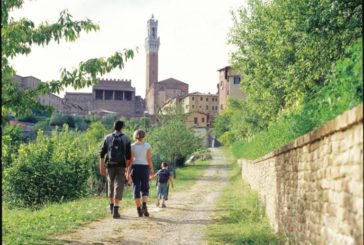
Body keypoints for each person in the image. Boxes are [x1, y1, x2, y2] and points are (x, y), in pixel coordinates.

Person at [100, 120, 131, 219]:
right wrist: (127, 168)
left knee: (110, 184)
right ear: (122, 127)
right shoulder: (126, 138)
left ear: (114, 127)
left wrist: (101, 167)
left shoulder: (108, 137)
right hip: (121, 165)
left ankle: (111, 206)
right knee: (119, 185)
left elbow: (102, 153)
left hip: (110, 165)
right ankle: (116, 210)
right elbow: (128, 156)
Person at [127, 129, 154, 217]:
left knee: (136, 189)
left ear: (135, 136)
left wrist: (128, 172)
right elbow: (149, 159)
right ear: (144, 136)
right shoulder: (147, 146)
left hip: (135, 168)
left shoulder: (132, 146)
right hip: (144, 168)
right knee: (145, 188)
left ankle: (139, 210)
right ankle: (144, 205)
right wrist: (152, 170)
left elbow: (131, 161)